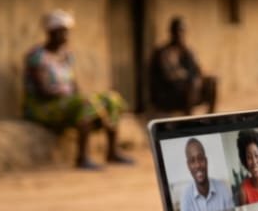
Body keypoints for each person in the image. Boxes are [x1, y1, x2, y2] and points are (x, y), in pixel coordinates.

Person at [22, 9, 133, 170]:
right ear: (50, 33)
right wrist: (79, 100)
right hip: (43, 107)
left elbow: (73, 85)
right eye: (61, 32)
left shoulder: (66, 55)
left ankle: (112, 152)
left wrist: (90, 102)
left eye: (66, 32)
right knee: (86, 103)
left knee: (110, 98)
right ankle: (82, 157)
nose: (65, 36)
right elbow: (43, 91)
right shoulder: (37, 56)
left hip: (65, 102)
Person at [147, 16, 217, 116]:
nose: (180, 33)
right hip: (170, 93)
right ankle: (188, 119)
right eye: (177, 30)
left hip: (191, 90)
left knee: (211, 81)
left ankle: (211, 117)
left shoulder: (188, 51)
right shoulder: (164, 52)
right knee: (192, 84)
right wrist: (190, 79)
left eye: (182, 30)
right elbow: (170, 76)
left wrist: (198, 79)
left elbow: (198, 70)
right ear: (172, 32)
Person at [180, 138, 234, 211]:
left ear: (206, 161)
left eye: (201, 159)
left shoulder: (223, 188)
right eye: (192, 161)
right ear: (188, 166)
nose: (198, 165)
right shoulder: (186, 197)